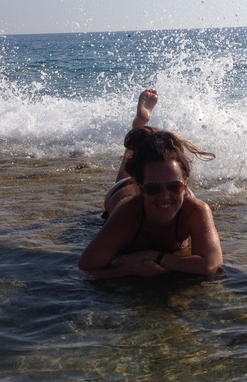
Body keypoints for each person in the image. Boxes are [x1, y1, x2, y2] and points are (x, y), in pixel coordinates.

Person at [78, 89, 223, 279]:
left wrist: (152, 256)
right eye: (153, 188)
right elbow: (84, 269)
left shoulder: (196, 210)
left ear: (185, 184)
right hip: (122, 192)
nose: (164, 195)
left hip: (161, 185)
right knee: (125, 177)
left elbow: (211, 265)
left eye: (174, 186)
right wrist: (130, 270)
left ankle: (140, 130)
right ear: (142, 187)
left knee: (155, 175)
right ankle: (138, 127)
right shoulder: (128, 213)